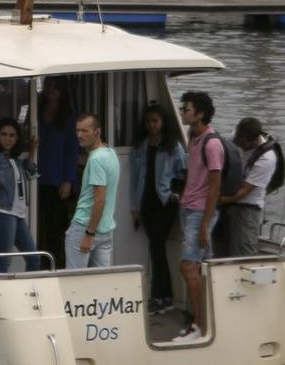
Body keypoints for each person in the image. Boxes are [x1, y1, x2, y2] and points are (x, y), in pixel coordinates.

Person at [175, 90, 225, 344]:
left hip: (199, 212)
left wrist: (205, 224)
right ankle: (208, 321)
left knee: (187, 266)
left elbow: (215, 186)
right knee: (205, 267)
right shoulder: (192, 137)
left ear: (200, 114)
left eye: (187, 109)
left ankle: (198, 325)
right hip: (188, 208)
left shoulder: (212, 143)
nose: (182, 112)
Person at [129, 101, 187, 312]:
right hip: (147, 203)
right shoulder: (142, 146)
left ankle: (162, 296)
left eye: (155, 121)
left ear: (163, 122)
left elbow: (183, 173)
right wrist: (135, 208)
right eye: (148, 122)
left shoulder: (173, 146)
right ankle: (163, 296)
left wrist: (174, 193)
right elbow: (136, 179)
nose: (151, 125)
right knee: (156, 248)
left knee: (156, 246)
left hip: (165, 204)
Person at [0, 116, 39, 273]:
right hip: (2, 211)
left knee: (34, 259)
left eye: (12, 135)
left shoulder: (14, 158)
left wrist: (33, 150)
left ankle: (29, 293)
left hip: (17, 213)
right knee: (4, 260)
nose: (7, 138)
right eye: (4, 134)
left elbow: (30, 172)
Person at [35, 80, 79, 271]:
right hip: (36, 176)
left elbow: (72, 151)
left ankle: (53, 263)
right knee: (38, 223)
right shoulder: (37, 111)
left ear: (62, 91)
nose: (51, 90)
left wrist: (68, 179)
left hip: (56, 177)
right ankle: (38, 260)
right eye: (48, 86)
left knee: (55, 225)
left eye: (55, 86)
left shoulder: (69, 117)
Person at [220, 117, 278, 257]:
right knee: (221, 247)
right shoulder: (237, 136)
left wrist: (216, 200)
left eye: (243, 143)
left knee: (243, 252)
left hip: (247, 208)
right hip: (227, 202)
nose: (239, 145)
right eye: (237, 141)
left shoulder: (266, 159)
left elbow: (243, 192)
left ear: (255, 139)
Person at [67, 113, 119, 268]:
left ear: (97, 132)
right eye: (77, 131)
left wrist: (89, 234)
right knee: (102, 282)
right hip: (105, 230)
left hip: (85, 227)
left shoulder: (96, 159)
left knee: (75, 281)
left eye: (84, 131)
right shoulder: (110, 153)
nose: (79, 135)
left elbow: (100, 199)